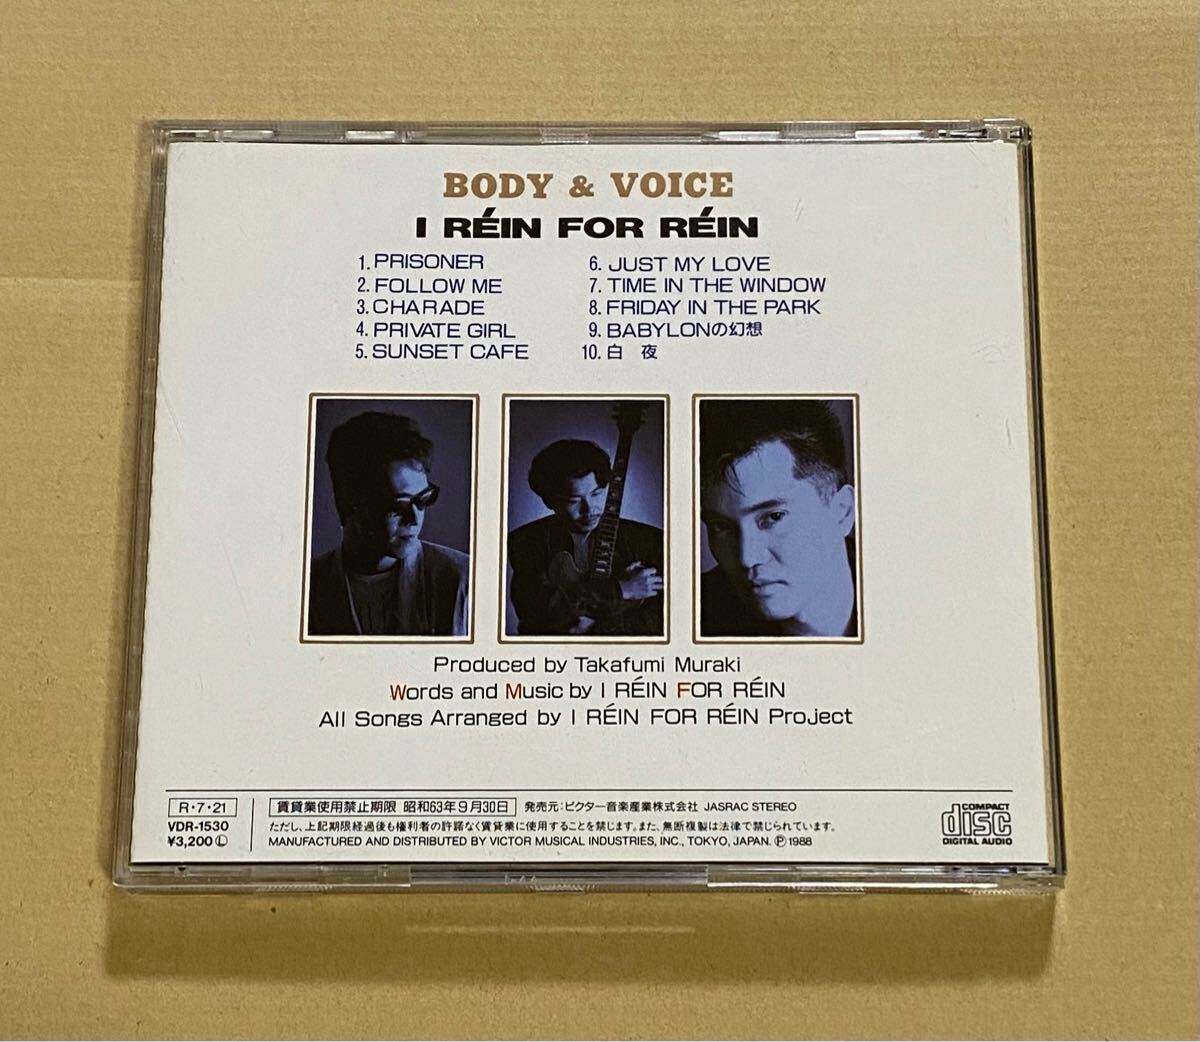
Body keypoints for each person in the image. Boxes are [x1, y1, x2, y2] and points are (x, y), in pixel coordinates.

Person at [699, 399, 858, 638]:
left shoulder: (909, 595)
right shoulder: (695, 615)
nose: (747, 558)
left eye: (774, 517)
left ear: (842, 512)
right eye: (720, 527)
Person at [307, 410, 469, 637]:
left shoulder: (461, 578)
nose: (414, 519)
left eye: (423, 499)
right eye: (399, 505)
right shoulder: (306, 586)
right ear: (349, 504)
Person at [507, 438, 664, 636]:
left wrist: (591, 623)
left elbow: (661, 623)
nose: (589, 509)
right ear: (550, 501)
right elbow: (539, 613)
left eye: (596, 494)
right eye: (574, 500)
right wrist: (621, 590)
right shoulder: (526, 541)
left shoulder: (650, 541)